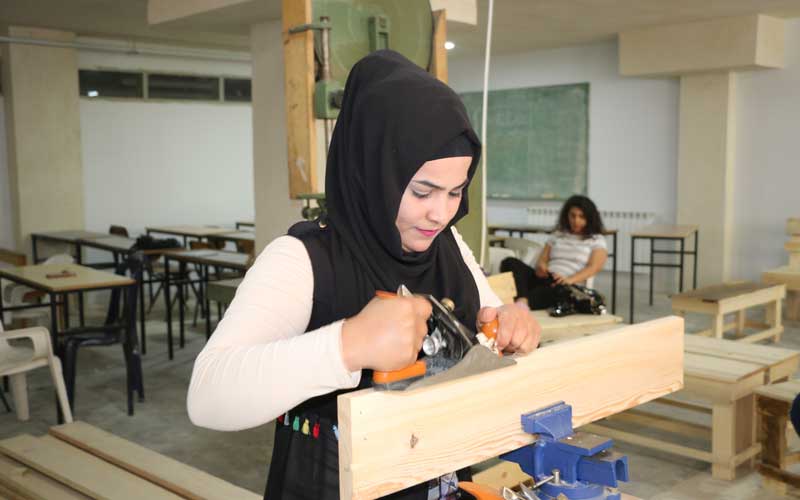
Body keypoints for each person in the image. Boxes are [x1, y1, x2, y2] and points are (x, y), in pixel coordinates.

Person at [186, 50, 541, 500]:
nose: (440, 213)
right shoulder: (301, 260)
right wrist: (347, 345)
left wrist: (512, 325)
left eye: (456, 192)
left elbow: (492, 329)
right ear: (373, 172)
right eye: (422, 191)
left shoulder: (448, 246)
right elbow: (207, 395)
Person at [500, 195, 608, 310]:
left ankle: (521, 301)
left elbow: (593, 267)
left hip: (566, 284)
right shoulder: (557, 235)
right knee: (509, 262)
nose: (576, 220)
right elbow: (543, 259)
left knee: (557, 291)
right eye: (573, 216)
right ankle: (523, 300)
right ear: (566, 215)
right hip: (547, 277)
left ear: (589, 218)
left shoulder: (597, 240)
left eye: (581, 217)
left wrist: (569, 280)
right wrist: (542, 267)